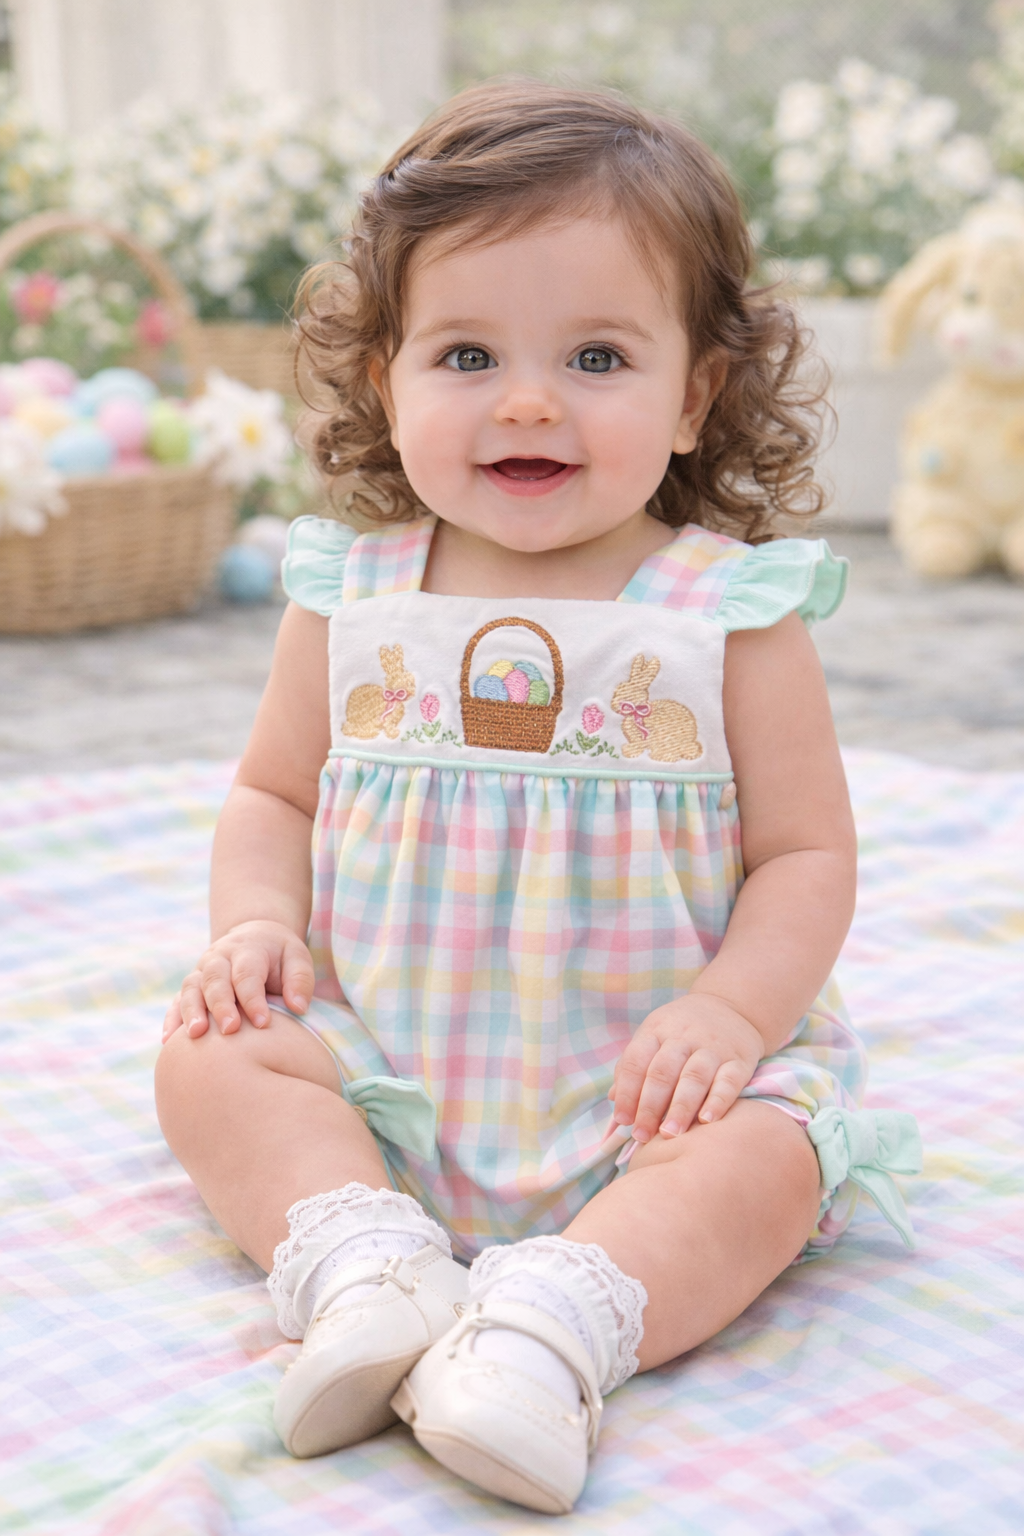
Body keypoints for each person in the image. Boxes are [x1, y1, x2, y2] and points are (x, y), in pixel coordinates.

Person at [155, 81, 921, 1515]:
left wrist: (730, 1015)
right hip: (385, 1068)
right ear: (384, 378)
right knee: (210, 1057)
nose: (526, 400)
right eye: (466, 353)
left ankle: (552, 1329)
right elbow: (272, 794)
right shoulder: (350, 595)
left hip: (650, 1092)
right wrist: (254, 925)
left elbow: (806, 854)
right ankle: (365, 1263)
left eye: (595, 356)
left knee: (773, 1159)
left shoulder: (726, 612)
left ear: (694, 393)